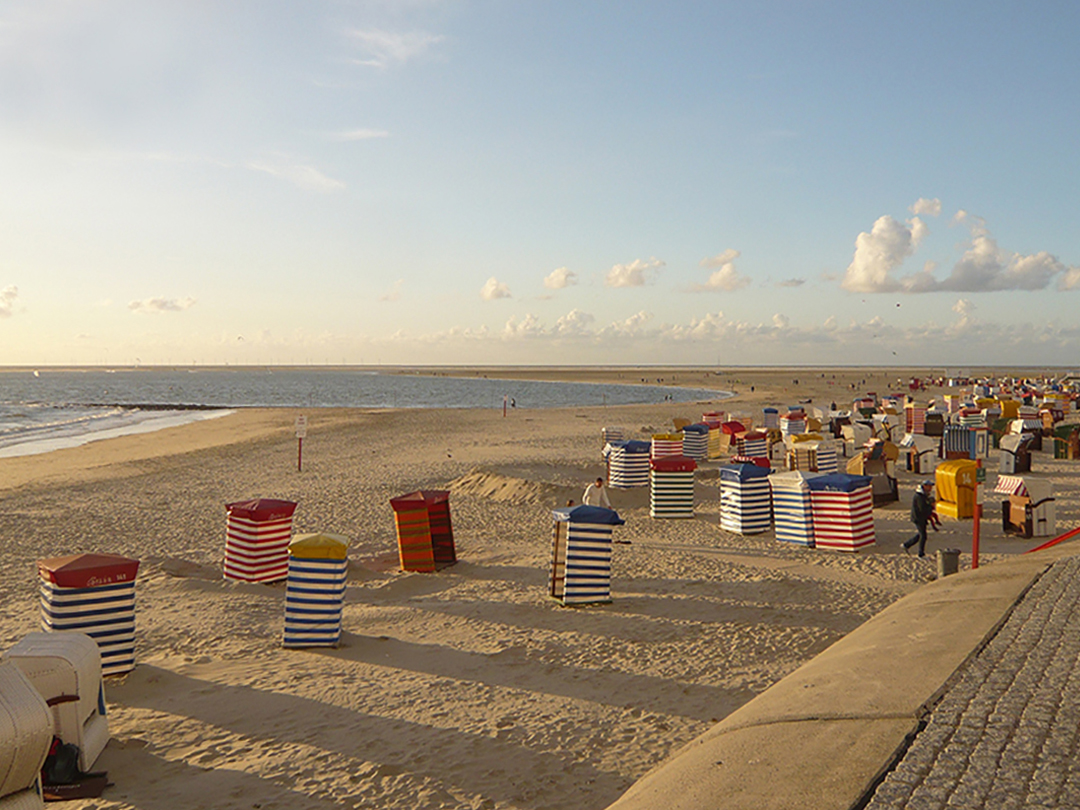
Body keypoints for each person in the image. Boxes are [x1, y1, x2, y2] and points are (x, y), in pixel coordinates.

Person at [902, 480, 940, 557]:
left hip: (921, 518)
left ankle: (906, 545)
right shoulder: (919, 496)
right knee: (923, 536)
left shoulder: (924, 495)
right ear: (924, 486)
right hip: (918, 518)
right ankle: (921, 554)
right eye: (929, 486)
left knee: (921, 534)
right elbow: (922, 509)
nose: (930, 488)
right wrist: (931, 506)